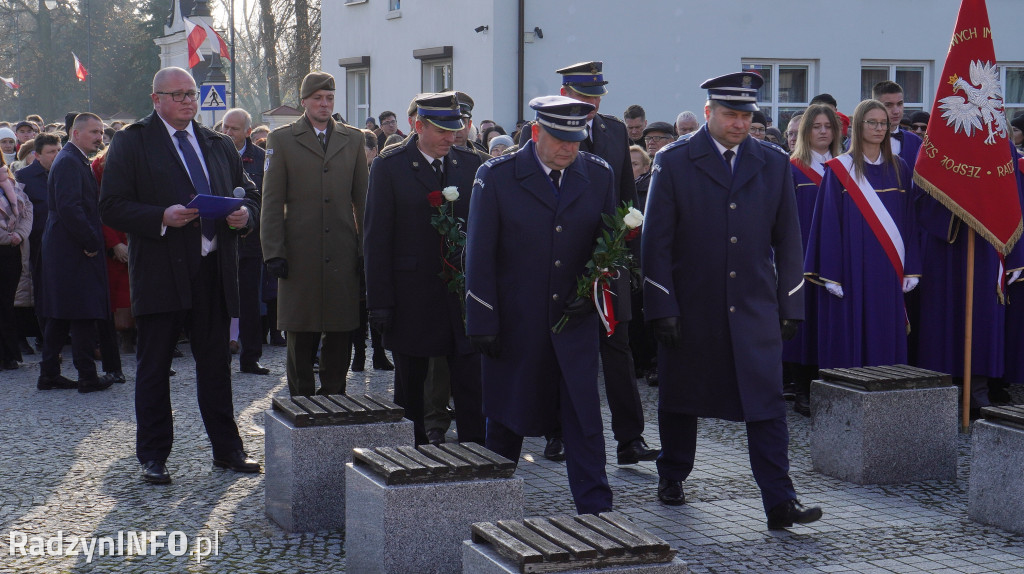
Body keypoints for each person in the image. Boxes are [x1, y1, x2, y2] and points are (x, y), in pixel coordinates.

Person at [642, 71, 821, 530]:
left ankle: (781, 501)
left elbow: (789, 239)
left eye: (746, 115)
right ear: (708, 113)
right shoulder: (675, 161)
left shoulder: (772, 162)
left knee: (766, 405)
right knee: (681, 396)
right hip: (692, 303)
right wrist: (662, 306)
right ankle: (673, 473)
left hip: (754, 304)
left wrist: (791, 303)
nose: (739, 123)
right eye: (730, 114)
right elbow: (655, 242)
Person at [99, 67, 262, 484]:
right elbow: (111, 205)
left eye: (192, 93)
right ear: (156, 99)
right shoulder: (133, 141)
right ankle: (153, 456)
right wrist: (161, 216)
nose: (189, 101)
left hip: (212, 271)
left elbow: (250, 194)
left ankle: (228, 451)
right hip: (160, 273)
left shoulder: (218, 142)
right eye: (178, 95)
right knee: (154, 367)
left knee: (215, 367)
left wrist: (245, 217)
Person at [466, 95, 616, 515]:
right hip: (516, 320)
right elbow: (479, 253)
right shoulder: (496, 176)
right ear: (535, 133)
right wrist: (482, 319)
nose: (570, 148)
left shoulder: (597, 175)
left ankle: (596, 507)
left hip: (574, 320)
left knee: (584, 417)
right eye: (560, 140)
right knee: (507, 417)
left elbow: (608, 248)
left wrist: (593, 293)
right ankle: (491, 507)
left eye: (576, 140)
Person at [364, 92, 486, 447]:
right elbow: (377, 239)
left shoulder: (471, 165)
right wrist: (380, 302)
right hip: (411, 296)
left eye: (456, 129)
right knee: (410, 391)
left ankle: (475, 455)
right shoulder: (390, 166)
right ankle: (411, 458)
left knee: (469, 383)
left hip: (461, 298)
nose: (452, 137)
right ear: (418, 126)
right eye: (442, 131)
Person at [557, 60, 657, 465]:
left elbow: (626, 200)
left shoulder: (614, 130)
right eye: (584, 96)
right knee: (563, 350)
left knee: (618, 349)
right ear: (565, 95)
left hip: (609, 259)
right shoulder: (547, 128)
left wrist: (629, 261)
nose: (593, 103)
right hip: (562, 262)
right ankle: (557, 431)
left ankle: (629, 439)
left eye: (597, 96)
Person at [261, 72, 368, 396]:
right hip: (299, 251)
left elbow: (363, 200)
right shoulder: (282, 139)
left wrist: (365, 250)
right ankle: (300, 400)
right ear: (304, 101)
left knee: (340, 329)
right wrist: (274, 251)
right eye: (318, 98)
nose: (324, 104)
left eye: (329, 98)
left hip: (341, 250)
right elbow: (271, 200)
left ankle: (335, 395)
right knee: (300, 329)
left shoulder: (353, 139)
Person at [804, 99, 921, 370]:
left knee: (885, 331)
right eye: (873, 123)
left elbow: (909, 221)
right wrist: (831, 273)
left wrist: (912, 268)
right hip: (852, 267)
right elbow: (828, 224)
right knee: (852, 333)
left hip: (889, 268)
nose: (880, 128)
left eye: (884, 124)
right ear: (858, 126)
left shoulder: (900, 167)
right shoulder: (839, 169)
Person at [36, 113, 116, 393]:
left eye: (102, 132)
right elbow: (70, 207)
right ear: (76, 133)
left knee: (61, 313)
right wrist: (91, 241)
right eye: (94, 132)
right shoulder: (70, 160)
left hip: (64, 247)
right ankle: (87, 376)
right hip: (72, 248)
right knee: (82, 311)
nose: (100, 137)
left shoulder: (73, 158)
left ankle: (49, 374)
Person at [785, 104, 843, 416]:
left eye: (828, 126)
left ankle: (831, 382)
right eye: (816, 126)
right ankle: (802, 388)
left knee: (832, 323)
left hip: (838, 260)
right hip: (802, 258)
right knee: (803, 325)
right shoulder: (791, 168)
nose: (822, 132)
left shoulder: (847, 167)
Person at [220, 108, 270, 375]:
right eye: (225, 127)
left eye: (234, 129)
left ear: (248, 132)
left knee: (250, 301)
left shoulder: (262, 159)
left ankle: (251, 357)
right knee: (219, 302)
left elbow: (268, 199)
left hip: (250, 242)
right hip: (221, 241)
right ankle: (220, 357)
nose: (228, 133)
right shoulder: (212, 153)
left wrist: (253, 222)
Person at [0, 155, 31, 371]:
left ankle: (9, 355)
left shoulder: (9, 182)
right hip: (5, 242)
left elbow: (27, 211)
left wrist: (19, 234)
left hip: (11, 252)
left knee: (6, 304)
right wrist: (5, 237)